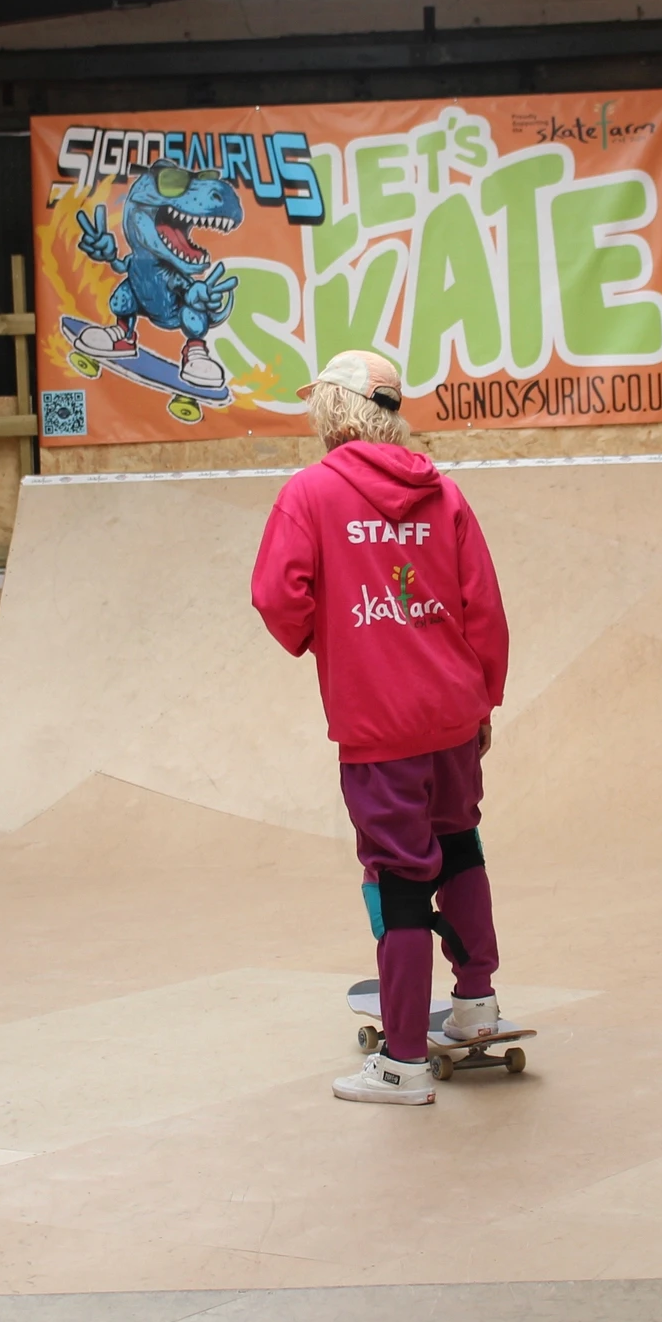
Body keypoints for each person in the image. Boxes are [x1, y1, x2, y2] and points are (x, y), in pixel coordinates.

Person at [251, 350, 511, 1104]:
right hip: (453, 714)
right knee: (459, 845)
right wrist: (483, 702)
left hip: (379, 725)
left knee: (399, 878)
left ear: (332, 411)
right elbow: (483, 607)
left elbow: (276, 596)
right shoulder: (444, 493)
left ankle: (401, 1062)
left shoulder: (309, 494)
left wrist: (324, 636)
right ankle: (475, 1002)